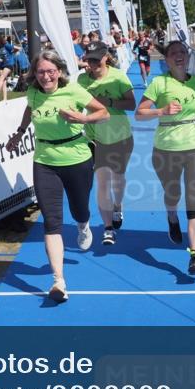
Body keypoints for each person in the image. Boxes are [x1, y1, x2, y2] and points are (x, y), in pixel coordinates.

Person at [6, 51, 109, 302]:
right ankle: (58, 281)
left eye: (51, 71)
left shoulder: (73, 91)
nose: (46, 76)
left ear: (60, 72)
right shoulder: (32, 92)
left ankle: (83, 225)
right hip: (44, 161)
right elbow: (30, 110)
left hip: (77, 157)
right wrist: (20, 133)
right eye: (41, 72)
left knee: (79, 209)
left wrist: (82, 117)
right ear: (35, 74)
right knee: (52, 221)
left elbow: (103, 112)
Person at [136, 41, 195, 276]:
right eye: (174, 54)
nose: (179, 56)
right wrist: (160, 111)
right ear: (167, 60)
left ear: (188, 57)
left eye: (182, 52)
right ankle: (172, 216)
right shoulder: (159, 82)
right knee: (173, 193)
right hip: (166, 147)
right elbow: (139, 114)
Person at [78, 41, 136, 246]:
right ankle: (108, 228)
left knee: (118, 179)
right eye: (89, 59)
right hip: (94, 137)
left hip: (120, 135)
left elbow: (132, 103)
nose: (92, 63)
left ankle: (118, 205)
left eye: (96, 59)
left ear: (105, 57)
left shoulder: (118, 76)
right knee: (103, 182)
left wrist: (108, 102)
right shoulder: (82, 80)